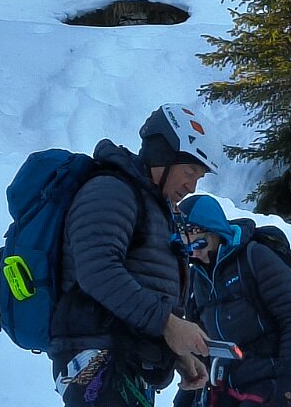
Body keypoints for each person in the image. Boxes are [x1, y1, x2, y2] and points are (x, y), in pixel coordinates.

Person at [51, 103, 221, 406]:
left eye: (199, 176)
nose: (192, 186)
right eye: (189, 171)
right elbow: (97, 271)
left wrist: (176, 353)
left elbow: (145, 283)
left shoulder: (152, 205)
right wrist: (168, 324)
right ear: (163, 155)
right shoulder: (111, 191)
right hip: (95, 357)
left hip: (125, 357)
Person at [172, 195, 291, 407]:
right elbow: (200, 336)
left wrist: (288, 381)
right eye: (185, 240)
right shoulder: (197, 277)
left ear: (214, 230)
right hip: (222, 383)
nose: (192, 248)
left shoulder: (256, 258)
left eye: (196, 238)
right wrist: (190, 386)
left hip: (267, 380)